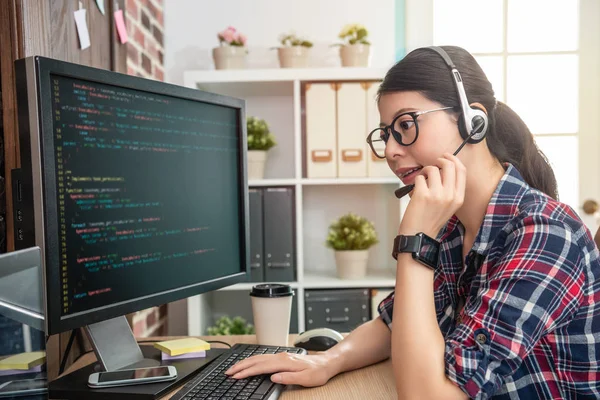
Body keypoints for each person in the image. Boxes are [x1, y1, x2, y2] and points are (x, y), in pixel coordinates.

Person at [225, 46, 600, 399]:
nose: (390, 150)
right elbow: (392, 324)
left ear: (473, 121)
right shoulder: (453, 226)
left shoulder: (546, 233)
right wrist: (327, 360)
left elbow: (426, 396)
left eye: (406, 125)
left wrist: (414, 241)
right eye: (386, 133)